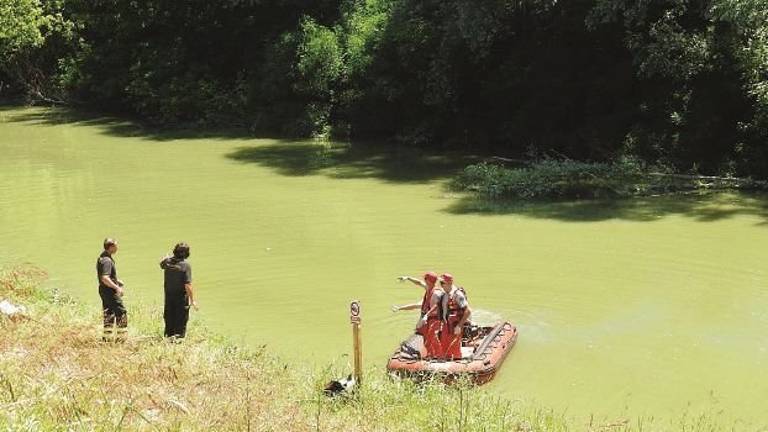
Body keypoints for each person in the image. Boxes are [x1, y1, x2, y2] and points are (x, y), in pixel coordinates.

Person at [392, 272, 444, 358]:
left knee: (432, 339)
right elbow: (419, 283)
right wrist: (408, 277)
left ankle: (437, 356)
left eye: (425, 279)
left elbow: (437, 307)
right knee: (425, 337)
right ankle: (430, 354)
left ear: (428, 281)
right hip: (427, 318)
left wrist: (426, 316)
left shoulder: (435, 294)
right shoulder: (429, 288)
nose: (424, 281)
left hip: (432, 320)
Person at [159, 242, 196, 339]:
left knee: (169, 319)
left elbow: (161, 263)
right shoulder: (185, 266)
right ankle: (177, 341)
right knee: (180, 321)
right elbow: (188, 285)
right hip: (181, 300)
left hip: (168, 298)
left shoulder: (167, 262)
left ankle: (168, 339)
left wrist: (167, 258)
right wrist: (193, 300)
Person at [96, 238, 127, 342]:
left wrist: (116, 281)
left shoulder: (102, 257)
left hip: (104, 290)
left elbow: (105, 276)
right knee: (121, 312)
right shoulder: (107, 261)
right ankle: (121, 340)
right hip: (109, 291)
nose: (117, 247)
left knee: (109, 313)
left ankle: (107, 339)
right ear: (111, 247)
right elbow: (104, 278)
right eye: (116, 246)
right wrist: (117, 287)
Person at [439, 273, 471, 360]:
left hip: (455, 325)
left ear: (449, 283)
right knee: (444, 346)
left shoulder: (458, 295)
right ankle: (445, 362)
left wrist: (459, 326)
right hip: (446, 324)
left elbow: (468, 311)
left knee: (454, 347)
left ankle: (457, 362)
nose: (441, 285)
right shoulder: (444, 293)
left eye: (442, 283)